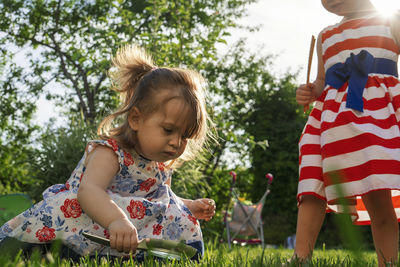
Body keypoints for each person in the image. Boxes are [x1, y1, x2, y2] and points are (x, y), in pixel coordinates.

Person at [0, 44, 216, 261]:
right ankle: (53, 250)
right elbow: (90, 191)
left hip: (124, 232)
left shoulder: (158, 167)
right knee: (65, 210)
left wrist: (189, 205)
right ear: (136, 119)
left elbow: (160, 197)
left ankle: (158, 254)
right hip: (83, 226)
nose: (176, 142)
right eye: (168, 130)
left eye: (185, 136)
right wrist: (116, 220)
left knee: (174, 215)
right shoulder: (112, 153)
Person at [294, 0, 400, 266]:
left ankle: (387, 261)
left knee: (378, 190)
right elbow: (322, 81)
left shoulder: (391, 21)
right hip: (329, 122)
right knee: (312, 183)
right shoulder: (325, 36)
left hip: (375, 118)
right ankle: (300, 257)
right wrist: (311, 91)